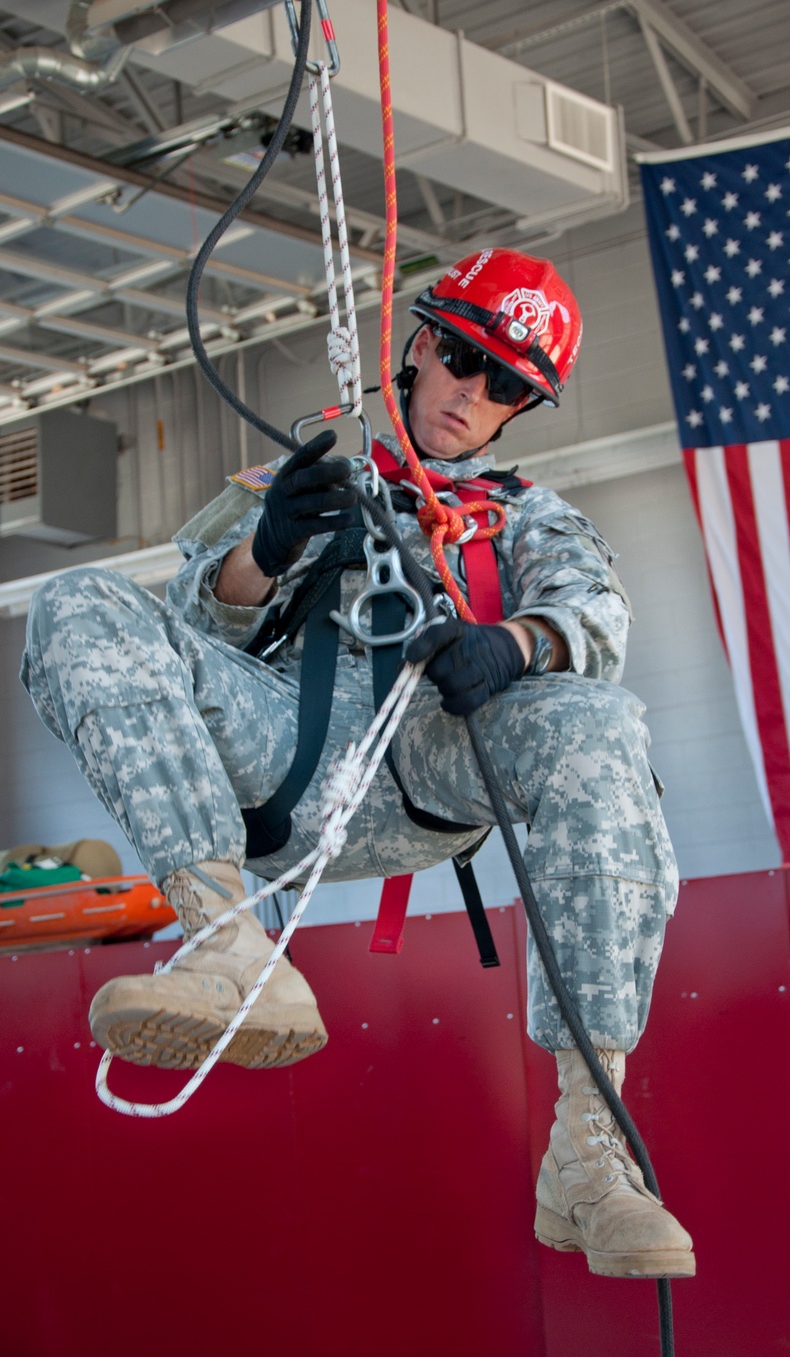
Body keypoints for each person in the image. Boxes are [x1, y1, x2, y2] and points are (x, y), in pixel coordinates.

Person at [20, 247, 694, 1281]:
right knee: (77, 603)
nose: (473, 391)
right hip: (280, 741)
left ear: (524, 407)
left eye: (508, 382)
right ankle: (227, 945)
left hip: (432, 759)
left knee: (601, 721)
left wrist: (512, 644)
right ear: (420, 344)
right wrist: (269, 545)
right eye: (464, 357)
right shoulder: (297, 480)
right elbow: (187, 624)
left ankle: (588, 1153)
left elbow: (596, 618)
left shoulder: (526, 514)